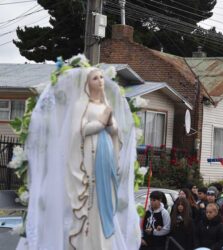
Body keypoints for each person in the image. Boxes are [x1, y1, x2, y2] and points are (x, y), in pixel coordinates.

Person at [17, 62, 141, 250]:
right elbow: (79, 130)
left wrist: (111, 127)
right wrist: (101, 123)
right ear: (87, 83)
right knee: (91, 200)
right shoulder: (81, 105)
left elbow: (115, 130)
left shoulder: (106, 104)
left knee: (104, 200)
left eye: (101, 77)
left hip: (106, 153)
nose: (100, 81)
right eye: (95, 78)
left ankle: (103, 240)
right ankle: (87, 240)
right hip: (89, 156)